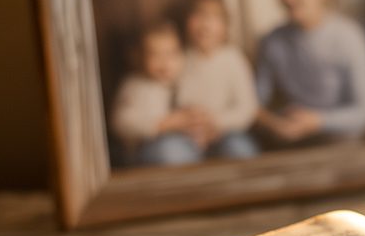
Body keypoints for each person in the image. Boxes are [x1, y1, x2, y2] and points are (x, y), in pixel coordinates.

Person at [254, 0, 365, 146]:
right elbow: (255, 103)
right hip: (292, 145)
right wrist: (275, 125)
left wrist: (317, 121)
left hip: (343, 146)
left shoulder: (350, 38)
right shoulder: (272, 41)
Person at [109, 15, 256, 167]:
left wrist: (199, 124)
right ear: (139, 57)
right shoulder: (135, 85)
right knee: (172, 152)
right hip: (145, 150)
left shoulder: (179, 82)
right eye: (155, 55)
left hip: (186, 144)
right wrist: (162, 124)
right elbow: (121, 123)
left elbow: (187, 114)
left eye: (171, 54)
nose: (165, 63)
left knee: (233, 147)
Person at [177, 0, 260, 158]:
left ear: (225, 25)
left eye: (214, 17)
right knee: (170, 153)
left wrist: (215, 122)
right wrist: (188, 123)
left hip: (226, 132)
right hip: (186, 134)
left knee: (240, 149)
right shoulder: (179, 59)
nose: (205, 24)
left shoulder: (233, 59)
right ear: (186, 22)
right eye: (198, 16)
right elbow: (171, 102)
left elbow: (247, 108)